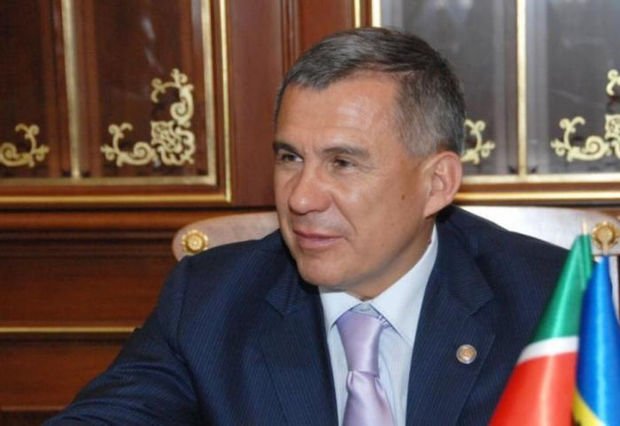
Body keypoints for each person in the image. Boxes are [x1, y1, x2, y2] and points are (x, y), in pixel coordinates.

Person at [45, 27, 566, 425]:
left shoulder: (552, 302)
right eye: (290, 157)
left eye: (342, 163)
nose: (300, 197)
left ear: (437, 184)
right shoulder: (209, 302)